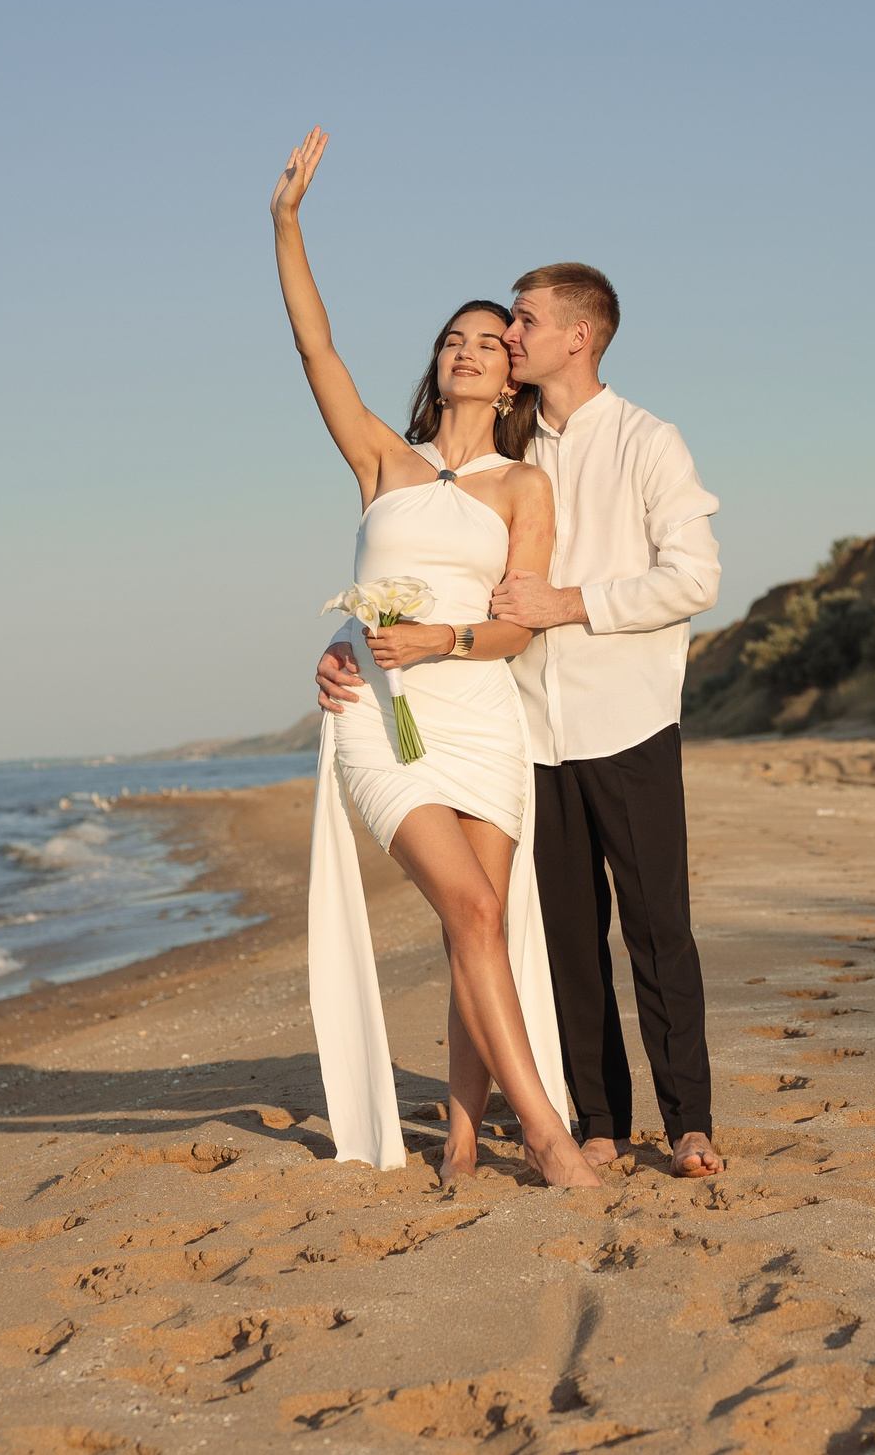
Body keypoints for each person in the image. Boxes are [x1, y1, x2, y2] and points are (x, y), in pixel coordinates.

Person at [319, 260, 725, 1179]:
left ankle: (689, 1120)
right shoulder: (509, 451)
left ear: (575, 337)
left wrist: (569, 602)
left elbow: (695, 578)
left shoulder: (647, 440)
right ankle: (595, 1121)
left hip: (627, 716)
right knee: (568, 937)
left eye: (523, 323)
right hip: (527, 727)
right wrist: (351, 639)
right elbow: (419, 558)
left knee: (658, 925)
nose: (509, 336)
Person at [270, 127, 597, 1190]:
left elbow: (515, 626)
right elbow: (316, 348)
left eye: (488, 342)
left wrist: (446, 636)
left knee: (483, 924)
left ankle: (462, 1137)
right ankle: (544, 1132)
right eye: (452, 338)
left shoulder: (523, 488)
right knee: (467, 910)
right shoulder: (382, 459)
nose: (465, 349)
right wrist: (286, 225)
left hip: (479, 716)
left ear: (513, 373)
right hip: (382, 717)